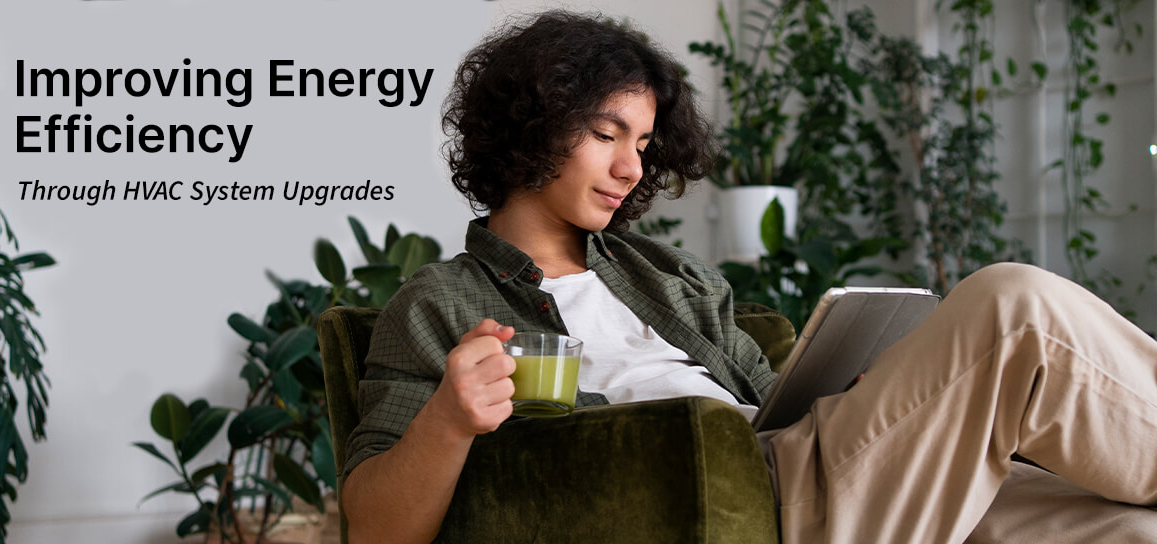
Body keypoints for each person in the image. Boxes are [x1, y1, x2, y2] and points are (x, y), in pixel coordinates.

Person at [340, 11, 1157, 543]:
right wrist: (447, 421)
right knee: (1012, 309)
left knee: (1123, 527)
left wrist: (876, 398)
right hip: (746, 505)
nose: (631, 166)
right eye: (605, 132)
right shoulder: (441, 302)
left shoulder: (668, 274)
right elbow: (373, 527)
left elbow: (776, 409)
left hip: (806, 468)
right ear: (529, 124)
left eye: (646, 144)